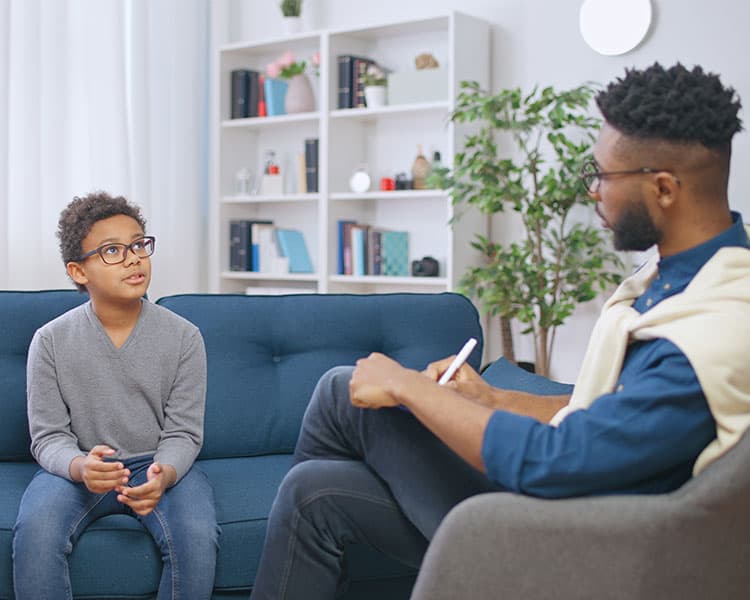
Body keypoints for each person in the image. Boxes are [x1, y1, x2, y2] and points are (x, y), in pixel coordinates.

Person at [248, 61, 750, 600]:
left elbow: (557, 462)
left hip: (562, 536)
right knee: (311, 489)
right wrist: (489, 397)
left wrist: (406, 386)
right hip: (564, 499)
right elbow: (599, 412)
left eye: (602, 176)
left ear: (665, 189)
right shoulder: (681, 282)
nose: (592, 192)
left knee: (345, 392)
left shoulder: (710, 335)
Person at [12, 192, 220, 599]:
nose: (133, 258)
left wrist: (165, 473)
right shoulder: (50, 341)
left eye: (139, 244)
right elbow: (48, 436)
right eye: (112, 250)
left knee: (197, 537)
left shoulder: (184, 337)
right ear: (78, 270)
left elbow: (184, 434)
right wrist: (79, 467)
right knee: (35, 533)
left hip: (156, 464)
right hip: (82, 469)